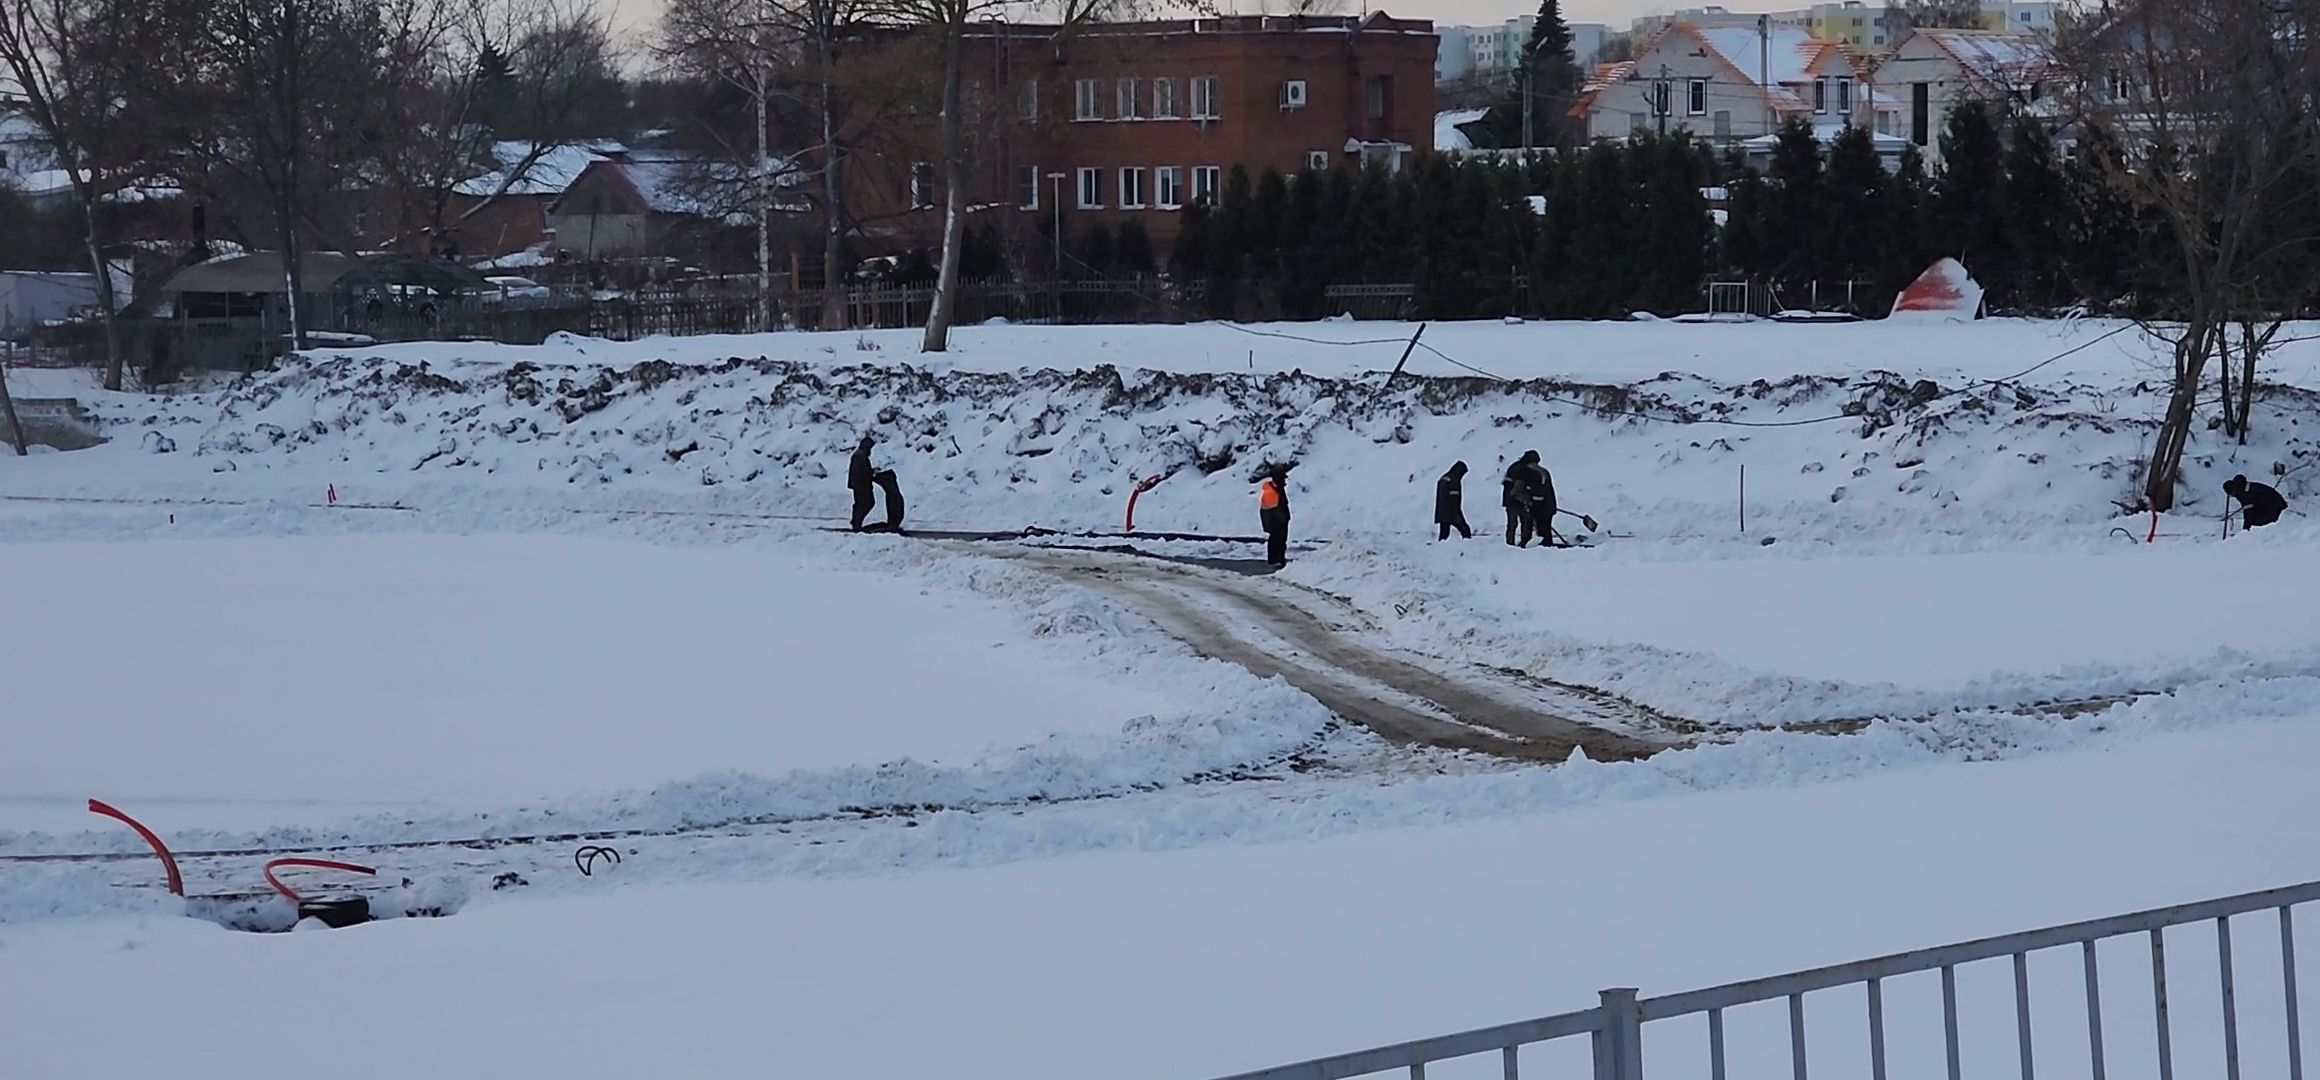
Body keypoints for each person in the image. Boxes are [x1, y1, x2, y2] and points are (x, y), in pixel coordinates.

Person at [1503, 452, 1541, 547]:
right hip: (1516, 499)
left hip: (1510, 499)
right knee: (1526, 521)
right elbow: (1519, 487)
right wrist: (1526, 499)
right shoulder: (1524, 470)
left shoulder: (1515, 467)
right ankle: (1525, 542)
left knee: (1512, 523)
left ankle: (1510, 542)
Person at [1258, 463, 1291, 567]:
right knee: (1277, 540)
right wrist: (1282, 518)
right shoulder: (1272, 491)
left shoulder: (1277, 489)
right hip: (1276, 521)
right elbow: (1272, 508)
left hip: (1279, 519)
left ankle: (1278, 558)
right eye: (1282, 477)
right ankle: (1276, 559)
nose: (1284, 480)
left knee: (1279, 540)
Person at [861, 468, 907, 534]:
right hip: (882, 472)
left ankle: (893, 523)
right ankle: (893, 523)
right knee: (894, 496)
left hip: (881, 472)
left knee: (894, 496)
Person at [1435, 461, 1472, 541]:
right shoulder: (1454, 479)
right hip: (1452, 511)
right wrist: (1457, 512)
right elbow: (1454, 498)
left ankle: (1439, 548)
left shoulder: (1443, 478)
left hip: (1441, 511)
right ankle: (1467, 545)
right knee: (1465, 530)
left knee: (1444, 533)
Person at [1528, 458, 1560, 548]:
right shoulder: (1543, 471)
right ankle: (1547, 545)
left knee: (1543, 528)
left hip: (1543, 506)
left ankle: (1546, 546)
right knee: (1546, 527)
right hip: (1548, 504)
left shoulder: (1537, 473)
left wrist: (1534, 509)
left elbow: (1539, 493)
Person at [847, 434, 876, 531]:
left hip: (858, 484)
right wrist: (872, 473)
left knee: (861, 503)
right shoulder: (860, 456)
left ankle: (856, 521)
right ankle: (857, 522)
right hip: (861, 485)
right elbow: (862, 472)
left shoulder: (859, 455)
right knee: (866, 503)